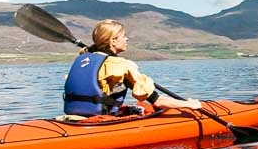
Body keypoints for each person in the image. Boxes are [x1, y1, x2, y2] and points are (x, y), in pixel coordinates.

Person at [62, 19, 203, 116]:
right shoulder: (121, 65)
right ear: (113, 40)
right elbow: (157, 101)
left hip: (75, 115)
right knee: (147, 106)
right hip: (100, 119)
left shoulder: (82, 59)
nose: (127, 39)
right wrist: (189, 104)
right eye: (124, 36)